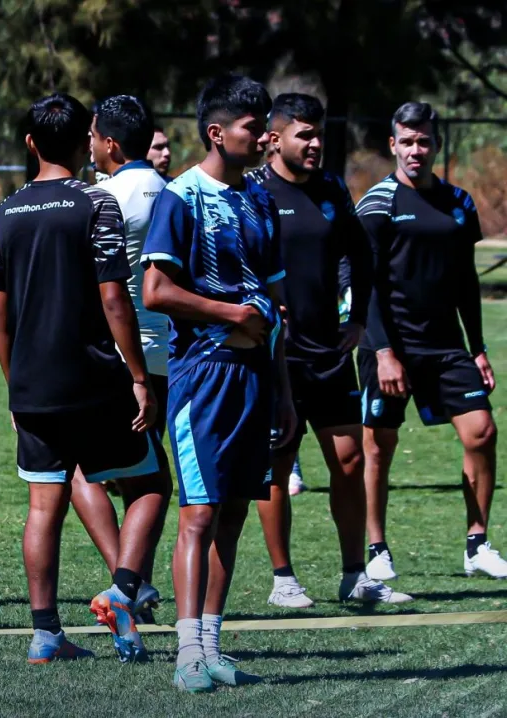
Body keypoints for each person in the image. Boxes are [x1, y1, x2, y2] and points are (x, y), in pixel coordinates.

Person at [0, 92, 169, 665]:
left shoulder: (5, 212)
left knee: (45, 505)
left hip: (34, 383)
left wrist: (14, 382)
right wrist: (137, 375)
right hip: (94, 377)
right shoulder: (96, 203)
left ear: (30, 143)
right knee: (152, 484)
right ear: (83, 141)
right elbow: (114, 297)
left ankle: (45, 634)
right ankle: (123, 588)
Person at [142, 74, 295, 692]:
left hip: (256, 376)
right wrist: (232, 315)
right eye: (251, 127)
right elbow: (155, 290)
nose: (263, 137)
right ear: (217, 133)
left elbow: (275, 301)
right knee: (199, 513)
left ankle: (211, 645)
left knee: (233, 510)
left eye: (264, 126)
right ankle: (185, 655)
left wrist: (283, 388)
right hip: (204, 376)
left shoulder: (260, 200)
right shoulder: (181, 197)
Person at [247, 93, 410, 609]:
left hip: (329, 353)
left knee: (348, 460)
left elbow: (360, 255)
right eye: (306, 134)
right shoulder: (251, 191)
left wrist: (357, 317)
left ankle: (354, 575)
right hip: (276, 356)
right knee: (277, 464)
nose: (316, 143)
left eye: (319, 133)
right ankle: (283, 579)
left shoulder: (332, 189)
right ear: (274, 139)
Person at [357, 101, 504, 581]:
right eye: (407, 141)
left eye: (424, 141)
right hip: (390, 348)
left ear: (436, 145)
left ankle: (477, 543)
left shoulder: (458, 203)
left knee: (482, 431)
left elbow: (465, 281)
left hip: (445, 348)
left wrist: (477, 346)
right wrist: (383, 353)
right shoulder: (377, 205)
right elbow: (365, 285)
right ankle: (377, 548)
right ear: (393, 144)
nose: (416, 150)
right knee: (379, 446)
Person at [70, 94, 172, 625]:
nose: (88, 144)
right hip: (168, 353)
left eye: (92, 136)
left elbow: (95, 287)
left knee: (82, 471)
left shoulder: (101, 198)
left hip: (116, 356)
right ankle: (135, 585)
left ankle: (126, 586)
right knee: (142, 476)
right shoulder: (173, 193)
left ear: (110, 143)